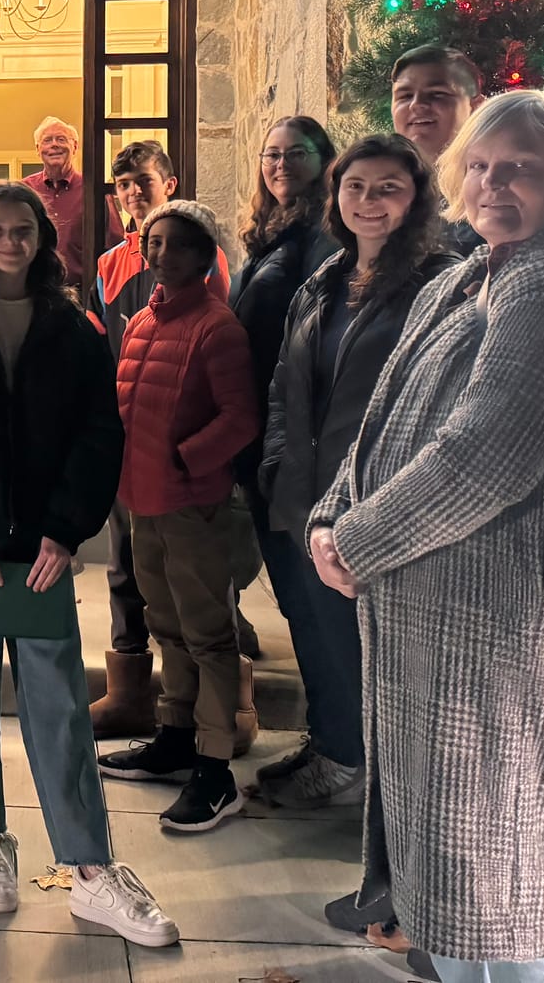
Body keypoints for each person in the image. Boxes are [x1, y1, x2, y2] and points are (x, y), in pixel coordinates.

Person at [309, 91, 544, 983]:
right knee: (457, 874)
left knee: (503, 873)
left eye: (522, 168)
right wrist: (331, 514)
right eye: (482, 166)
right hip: (431, 606)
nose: (494, 184)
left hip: (499, 624)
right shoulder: (473, 274)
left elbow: (482, 458)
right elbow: (386, 416)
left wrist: (356, 543)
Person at [0, 182, 178, 947]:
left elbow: (98, 432)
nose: (10, 242)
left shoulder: (72, 326)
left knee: (58, 698)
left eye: (23, 229)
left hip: (42, 546)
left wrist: (65, 532)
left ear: (41, 239)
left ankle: (90, 868)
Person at [252, 134, 456, 813]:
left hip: (374, 506)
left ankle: (386, 791)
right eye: (356, 187)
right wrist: (277, 463)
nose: (369, 201)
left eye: (388, 188)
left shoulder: (438, 286)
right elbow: (285, 383)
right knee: (320, 637)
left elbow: (437, 404)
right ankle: (337, 751)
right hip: (304, 495)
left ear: (416, 198)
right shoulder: (325, 282)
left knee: (373, 650)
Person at [97, 200, 260, 833]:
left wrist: (185, 460)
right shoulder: (142, 321)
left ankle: (215, 768)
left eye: (176, 244)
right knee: (165, 624)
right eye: (154, 242)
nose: (162, 254)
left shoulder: (217, 327)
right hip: (143, 502)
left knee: (208, 635)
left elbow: (240, 417)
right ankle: (175, 735)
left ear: (203, 255)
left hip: (193, 505)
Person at [82, 140, 228, 740]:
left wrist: (189, 455)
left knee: (195, 587)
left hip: (183, 460)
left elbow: (223, 370)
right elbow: (101, 348)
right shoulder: (110, 265)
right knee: (127, 568)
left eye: (143, 180)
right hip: (128, 446)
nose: (132, 192)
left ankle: (217, 717)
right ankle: (131, 693)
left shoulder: (203, 260)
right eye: (122, 185)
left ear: (169, 183)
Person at [227, 115, 340, 711]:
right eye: (271, 154)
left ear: (324, 160)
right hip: (263, 433)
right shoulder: (270, 233)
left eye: (296, 153)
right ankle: (327, 733)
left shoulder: (326, 234)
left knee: (313, 596)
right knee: (297, 597)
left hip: (296, 438)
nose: (280, 165)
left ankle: (339, 740)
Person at [388, 45, 486, 255]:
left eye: (437, 94)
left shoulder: (492, 187)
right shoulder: (374, 185)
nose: (417, 105)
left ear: (476, 107)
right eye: (405, 96)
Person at [21, 115, 88, 285]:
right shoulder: (24, 191)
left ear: (75, 147)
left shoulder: (91, 190)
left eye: (61, 139)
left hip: (82, 290)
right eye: (47, 140)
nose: (54, 145)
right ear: (38, 149)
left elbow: (112, 245)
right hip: (33, 290)